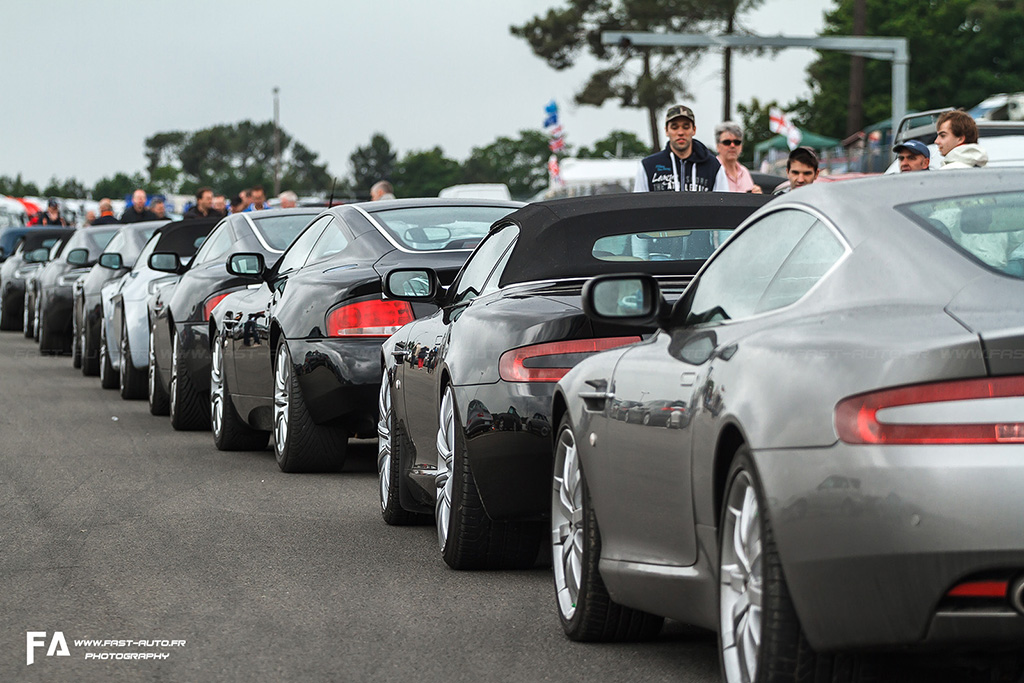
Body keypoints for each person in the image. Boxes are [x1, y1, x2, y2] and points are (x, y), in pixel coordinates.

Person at [633, 104, 728, 193]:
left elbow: (723, 204)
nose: (680, 132)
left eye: (686, 127)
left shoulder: (713, 166)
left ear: (693, 130)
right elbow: (638, 205)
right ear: (666, 130)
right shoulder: (648, 166)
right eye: (675, 127)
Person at [714, 121, 761, 193]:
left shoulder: (745, 172)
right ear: (718, 146)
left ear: (741, 146)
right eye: (727, 142)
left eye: (737, 142)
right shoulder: (712, 170)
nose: (732, 146)